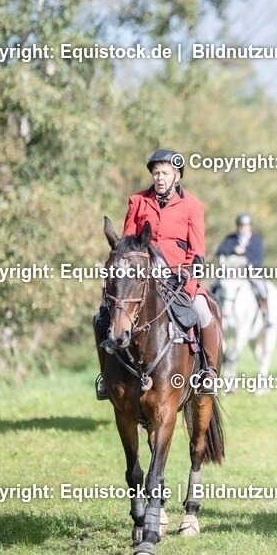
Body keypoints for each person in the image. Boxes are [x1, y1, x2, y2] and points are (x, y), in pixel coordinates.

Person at [94, 148, 218, 399]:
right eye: (156, 173)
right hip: (143, 277)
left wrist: (188, 275)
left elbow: (197, 251)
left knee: (204, 311)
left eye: (165, 173)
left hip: (178, 277)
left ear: (177, 176)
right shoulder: (138, 201)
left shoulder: (193, 206)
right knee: (102, 316)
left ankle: (208, 372)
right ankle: (106, 377)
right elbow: (127, 242)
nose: (159, 178)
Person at [215, 213, 269, 320]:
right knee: (216, 286)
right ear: (238, 226)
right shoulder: (230, 238)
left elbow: (258, 258)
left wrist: (245, 257)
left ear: (250, 226)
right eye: (241, 225)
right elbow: (219, 251)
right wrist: (233, 250)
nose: (243, 228)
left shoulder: (257, 240)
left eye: (246, 225)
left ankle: (265, 314)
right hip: (231, 271)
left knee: (261, 288)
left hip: (250, 270)